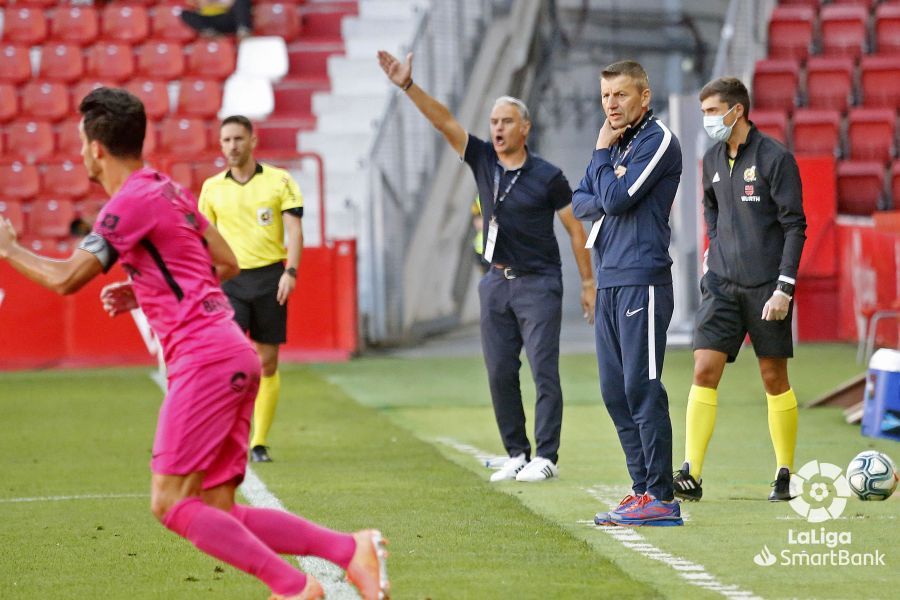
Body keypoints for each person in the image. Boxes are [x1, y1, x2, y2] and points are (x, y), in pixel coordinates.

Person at [0, 88, 388, 600]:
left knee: (171, 503)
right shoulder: (168, 190)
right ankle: (348, 550)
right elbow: (226, 263)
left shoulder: (126, 205)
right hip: (232, 352)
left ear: (96, 148)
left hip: (203, 360)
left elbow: (68, 278)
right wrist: (144, 291)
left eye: (80, 144)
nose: (79, 154)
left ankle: (294, 587)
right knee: (218, 507)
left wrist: (8, 249)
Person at [377, 50, 595, 483]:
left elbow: (574, 229)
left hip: (539, 284)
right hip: (495, 282)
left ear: (525, 128)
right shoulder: (482, 160)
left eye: (506, 121)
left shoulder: (548, 176)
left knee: (543, 369)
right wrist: (407, 86)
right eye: (494, 121)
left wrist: (587, 281)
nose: (497, 128)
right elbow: (444, 122)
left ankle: (546, 455)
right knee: (499, 370)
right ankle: (516, 450)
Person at [673, 77, 806, 503]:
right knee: (703, 370)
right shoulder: (711, 158)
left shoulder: (775, 158)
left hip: (768, 288)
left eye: (713, 111)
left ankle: (784, 471)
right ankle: (691, 472)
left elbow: (794, 226)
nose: (708, 120)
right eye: (705, 112)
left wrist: (784, 287)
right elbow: (711, 207)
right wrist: (713, 250)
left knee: (773, 378)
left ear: (738, 111)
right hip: (722, 288)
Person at [572, 60, 683, 526]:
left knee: (642, 387)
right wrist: (608, 178)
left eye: (620, 95)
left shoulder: (658, 141)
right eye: (605, 97)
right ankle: (641, 491)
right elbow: (580, 201)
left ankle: (661, 495)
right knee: (614, 392)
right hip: (611, 279)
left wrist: (602, 158)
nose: (611, 106)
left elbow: (614, 200)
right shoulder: (620, 147)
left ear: (644, 95)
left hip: (643, 278)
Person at [198, 115, 304, 464]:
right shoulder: (212, 188)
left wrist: (290, 271)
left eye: (238, 139)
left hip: (271, 277)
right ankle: (222, 432)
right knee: (228, 358)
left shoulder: (280, 181)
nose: (232, 146)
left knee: (267, 362)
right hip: (230, 280)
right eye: (226, 140)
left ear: (252, 141)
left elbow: (295, 231)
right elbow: (204, 239)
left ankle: (258, 442)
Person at [180, 0, 252, 40]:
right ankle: (211, 33)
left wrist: (214, 2)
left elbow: (230, 3)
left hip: (226, 17)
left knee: (242, 1)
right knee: (185, 14)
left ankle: (243, 31)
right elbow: (198, 4)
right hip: (209, 20)